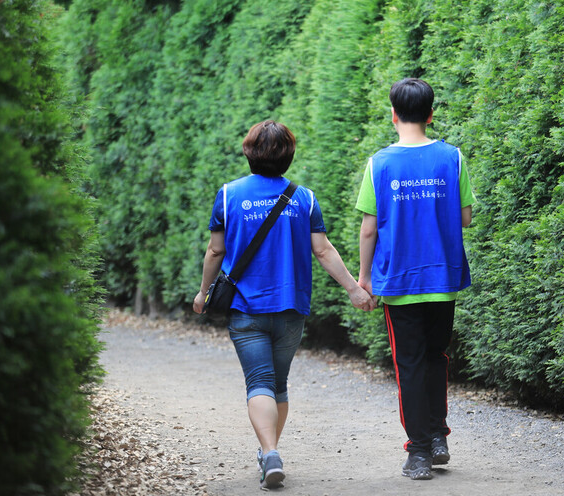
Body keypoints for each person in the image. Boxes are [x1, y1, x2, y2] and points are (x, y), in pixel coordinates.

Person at [193, 120, 374, 489]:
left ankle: (270, 451)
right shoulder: (303, 198)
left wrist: (203, 292)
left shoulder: (228, 195)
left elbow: (216, 249)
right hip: (291, 309)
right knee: (278, 383)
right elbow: (322, 250)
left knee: (258, 381)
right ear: (288, 156)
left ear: (248, 153)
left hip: (246, 309)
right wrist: (354, 289)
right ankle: (270, 450)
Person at [356, 78, 475, 480]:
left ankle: (419, 452)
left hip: (400, 281)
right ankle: (438, 436)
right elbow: (465, 218)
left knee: (408, 363)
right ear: (430, 114)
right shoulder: (453, 157)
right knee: (435, 357)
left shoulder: (380, 164)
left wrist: (364, 277)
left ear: (393, 115)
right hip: (443, 277)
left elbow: (369, 229)